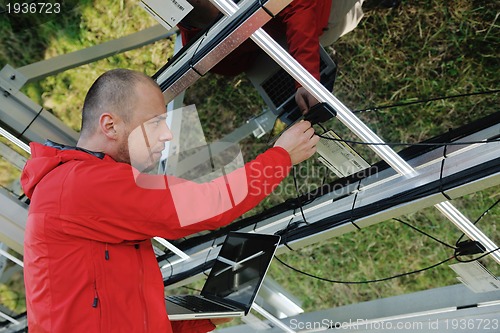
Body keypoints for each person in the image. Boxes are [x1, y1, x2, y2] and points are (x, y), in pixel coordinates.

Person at [20, 68, 319, 333]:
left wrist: (207, 315)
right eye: (155, 123)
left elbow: (121, 312)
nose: (166, 135)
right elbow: (206, 204)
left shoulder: (81, 185)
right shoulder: (80, 184)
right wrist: (281, 157)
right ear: (110, 126)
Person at [178, 0, 365, 114]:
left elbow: (298, 8)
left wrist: (306, 78)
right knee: (336, 28)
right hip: (292, 34)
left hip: (312, 15)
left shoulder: (198, 42)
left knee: (337, 21)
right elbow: (230, 66)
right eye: (220, 17)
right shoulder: (201, 46)